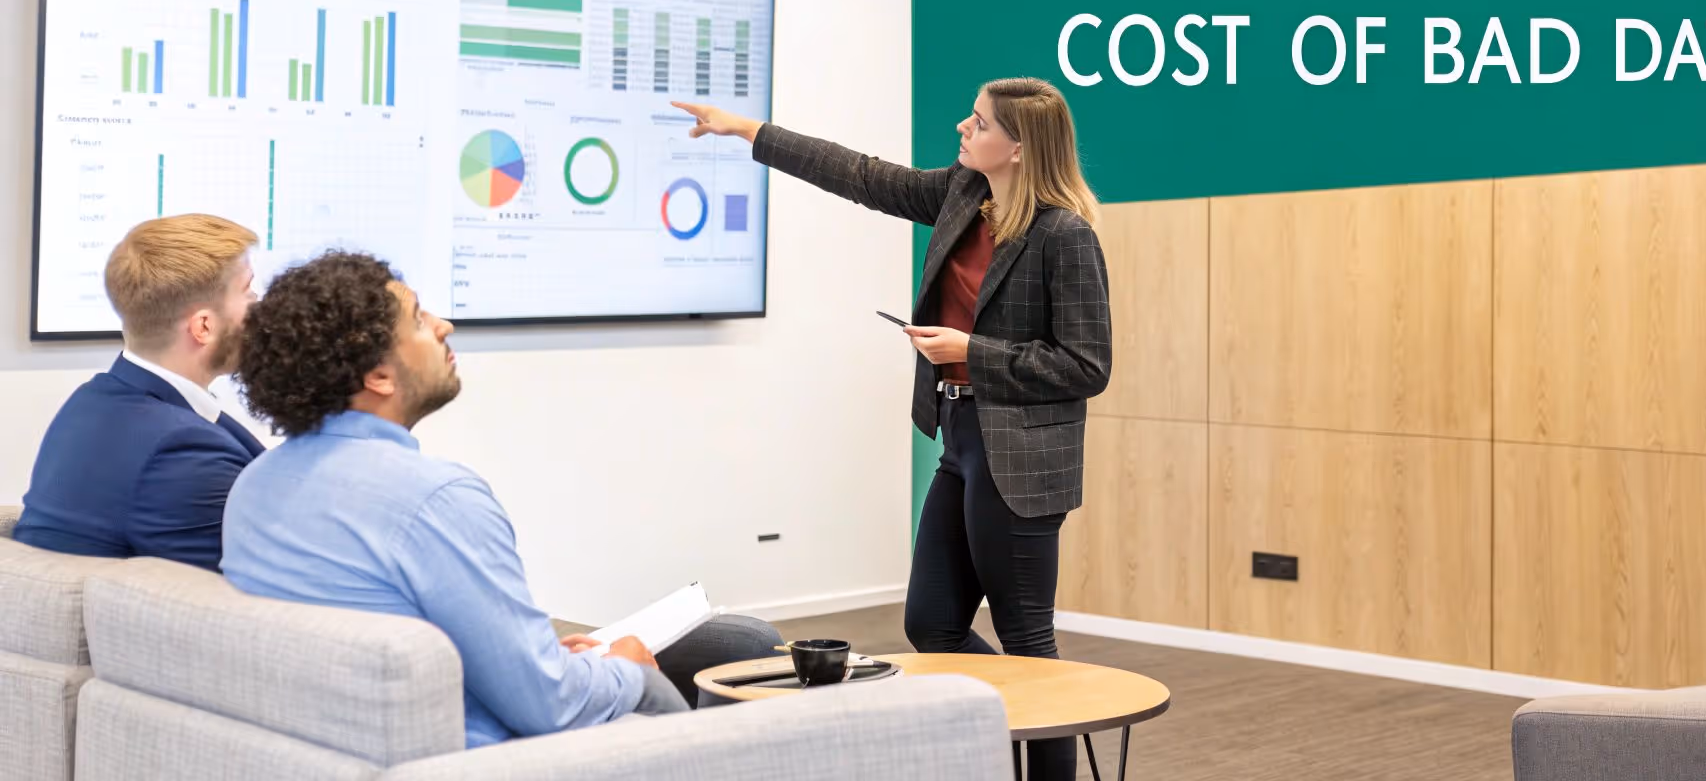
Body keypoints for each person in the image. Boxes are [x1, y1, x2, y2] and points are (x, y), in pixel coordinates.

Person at [676, 76, 1111, 780]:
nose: (962, 131)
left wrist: (971, 352)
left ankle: (1046, 741)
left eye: (978, 124)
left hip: (1023, 460)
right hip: (960, 440)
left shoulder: (1064, 235)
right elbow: (859, 175)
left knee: (1028, 642)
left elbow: (1088, 365)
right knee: (931, 624)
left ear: (1020, 148)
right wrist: (747, 131)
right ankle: (1011, 728)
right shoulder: (962, 196)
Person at [221, 252, 779, 749]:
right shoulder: (434, 500)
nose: (445, 326)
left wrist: (554, 661)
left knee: (735, 644)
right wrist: (628, 670)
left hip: (347, 746)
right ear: (378, 375)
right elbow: (547, 707)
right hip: (486, 757)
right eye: (418, 320)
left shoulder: (255, 485)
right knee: (706, 683)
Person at [14, 215, 265, 571]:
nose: (259, 306)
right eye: (249, 292)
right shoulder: (184, 452)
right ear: (204, 326)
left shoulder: (90, 402)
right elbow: (236, 605)